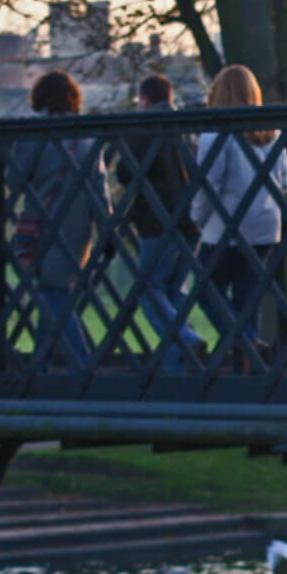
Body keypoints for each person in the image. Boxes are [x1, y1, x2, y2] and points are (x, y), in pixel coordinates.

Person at [195, 65, 287, 369]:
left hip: (227, 226)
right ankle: (247, 364)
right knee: (246, 301)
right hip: (265, 225)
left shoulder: (215, 135)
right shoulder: (271, 133)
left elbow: (209, 184)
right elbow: (285, 179)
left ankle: (248, 344)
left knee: (205, 291)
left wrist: (195, 217)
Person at [114, 74, 203, 373]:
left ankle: (186, 339)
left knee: (150, 289)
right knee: (174, 291)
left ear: (145, 100)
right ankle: (179, 365)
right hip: (193, 219)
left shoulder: (145, 128)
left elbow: (126, 171)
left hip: (158, 220)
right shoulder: (187, 129)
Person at [9, 71, 96, 369]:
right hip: (80, 225)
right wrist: (106, 225)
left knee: (51, 294)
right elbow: (100, 183)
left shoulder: (33, 135)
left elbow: (15, 180)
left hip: (44, 222)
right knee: (54, 291)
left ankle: (82, 365)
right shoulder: (87, 136)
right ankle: (40, 364)